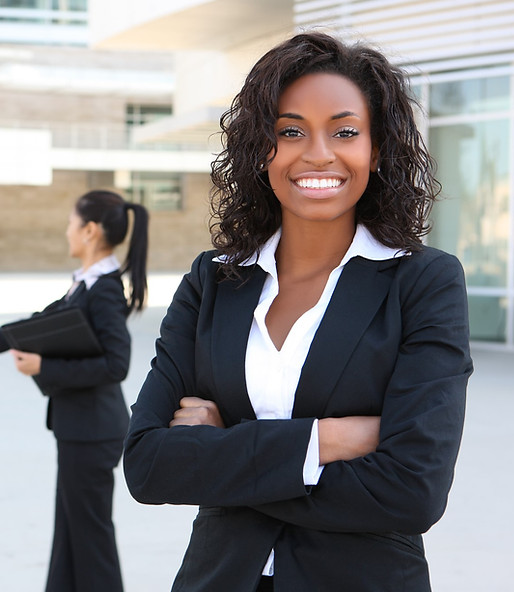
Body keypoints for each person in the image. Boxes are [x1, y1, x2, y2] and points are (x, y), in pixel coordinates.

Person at [123, 32, 473, 592]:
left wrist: (226, 452)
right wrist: (326, 441)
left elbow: (413, 489)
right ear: (262, 148)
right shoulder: (213, 280)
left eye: (344, 131)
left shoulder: (423, 281)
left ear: (376, 149)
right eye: (291, 131)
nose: (317, 153)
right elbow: (147, 464)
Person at [0, 189, 148, 592]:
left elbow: (117, 365)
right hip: (80, 429)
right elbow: (42, 324)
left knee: (89, 534)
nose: (66, 231)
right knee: (70, 528)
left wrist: (44, 367)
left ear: (89, 230)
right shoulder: (85, 285)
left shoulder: (103, 290)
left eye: (70, 223)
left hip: (92, 432)